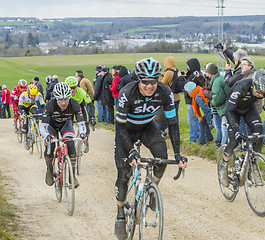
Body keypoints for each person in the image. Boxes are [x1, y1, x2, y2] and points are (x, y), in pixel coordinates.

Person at [114, 58, 187, 239]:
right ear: (139, 80)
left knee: (161, 158)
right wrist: (131, 150)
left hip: (148, 127)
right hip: (126, 131)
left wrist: (177, 154)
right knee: (123, 176)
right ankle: (120, 214)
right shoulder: (127, 93)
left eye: (153, 81)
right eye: (145, 82)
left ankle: (152, 188)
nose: (149, 86)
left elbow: (172, 123)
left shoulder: (165, 91)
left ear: (158, 79)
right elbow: (120, 127)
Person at [218, 70, 265, 187]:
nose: (261, 96)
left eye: (263, 94)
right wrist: (236, 130)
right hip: (233, 110)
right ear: (253, 85)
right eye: (259, 92)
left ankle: (252, 168)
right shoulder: (242, 86)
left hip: (249, 109)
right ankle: (223, 167)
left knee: (258, 132)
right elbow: (228, 110)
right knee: (235, 140)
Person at [40, 82, 87, 188]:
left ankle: (72, 176)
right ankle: (50, 170)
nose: (63, 103)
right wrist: (47, 136)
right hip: (51, 126)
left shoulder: (74, 104)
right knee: (50, 146)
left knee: (70, 145)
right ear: (56, 98)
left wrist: (83, 133)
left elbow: (81, 123)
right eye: (60, 100)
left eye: (66, 99)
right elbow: (43, 127)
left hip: (66, 124)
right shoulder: (50, 105)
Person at [65, 76, 96, 152]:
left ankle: (86, 140)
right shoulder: (65, 93)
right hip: (70, 109)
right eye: (70, 88)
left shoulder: (81, 92)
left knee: (86, 126)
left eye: (74, 88)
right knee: (68, 125)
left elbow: (91, 105)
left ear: (77, 87)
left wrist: (92, 117)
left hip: (80, 108)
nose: (72, 90)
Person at [205, 63, 230, 146]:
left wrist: (212, 103)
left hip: (225, 108)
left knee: (224, 128)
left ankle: (224, 147)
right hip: (228, 106)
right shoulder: (220, 78)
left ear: (210, 73)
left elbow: (218, 98)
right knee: (225, 128)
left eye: (207, 71)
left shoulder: (216, 82)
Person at [18, 84, 45, 150]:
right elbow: (20, 108)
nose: (33, 97)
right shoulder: (23, 96)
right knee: (25, 121)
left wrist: (45, 112)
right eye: (31, 95)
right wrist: (22, 113)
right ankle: (25, 138)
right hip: (24, 107)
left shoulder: (39, 95)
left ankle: (36, 127)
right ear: (28, 93)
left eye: (34, 95)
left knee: (35, 113)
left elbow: (43, 105)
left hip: (32, 105)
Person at [184, 58, 204, 142]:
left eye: (188, 66)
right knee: (194, 119)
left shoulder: (194, 76)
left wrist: (182, 78)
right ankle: (197, 135)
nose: (187, 67)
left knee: (192, 121)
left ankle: (192, 138)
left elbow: (186, 85)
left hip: (192, 101)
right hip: (193, 100)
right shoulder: (196, 74)